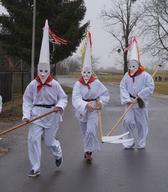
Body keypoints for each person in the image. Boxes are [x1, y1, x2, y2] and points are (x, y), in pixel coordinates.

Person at [22, 20, 68, 177]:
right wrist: (27, 115)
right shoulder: (32, 85)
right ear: (37, 69)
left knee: (49, 142)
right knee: (33, 140)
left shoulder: (55, 84)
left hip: (51, 114)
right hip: (36, 114)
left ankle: (58, 152)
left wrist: (59, 106)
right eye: (40, 70)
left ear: (49, 69)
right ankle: (35, 167)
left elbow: (63, 98)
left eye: (45, 70)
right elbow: (27, 100)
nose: (42, 73)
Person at [72, 32, 110, 163]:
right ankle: (87, 150)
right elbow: (75, 98)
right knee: (85, 133)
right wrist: (84, 105)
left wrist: (101, 103)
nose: (87, 75)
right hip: (83, 111)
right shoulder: (78, 84)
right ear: (81, 72)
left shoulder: (97, 83)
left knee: (90, 131)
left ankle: (88, 152)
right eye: (84, 72)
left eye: (89, 72)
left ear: (92, 71)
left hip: (93, 109)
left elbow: (105, 94)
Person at [120, 36, 154, 150]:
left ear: (138, 65)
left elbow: (150, 87)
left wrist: (140, 95)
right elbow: (122, 87)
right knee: (128, 121)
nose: (132, 68)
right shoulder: (126, 76)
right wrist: (126, 99)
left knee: (141, 124)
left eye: (134, 66)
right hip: (129, 102)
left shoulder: (145, 76)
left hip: (140, 103)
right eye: (130, 66)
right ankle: (129, 142)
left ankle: (141, 142)